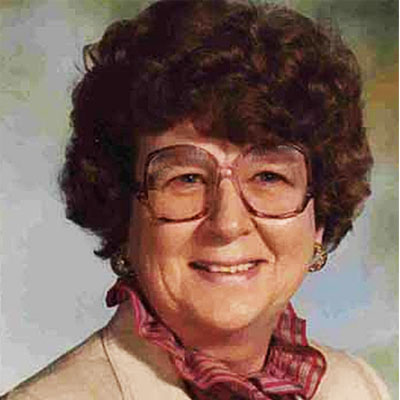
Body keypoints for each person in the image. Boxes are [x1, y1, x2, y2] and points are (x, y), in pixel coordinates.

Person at [2, 0, 391, 399]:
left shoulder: (360, 388)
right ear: (123, 215)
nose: (228, 224)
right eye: (186, 179)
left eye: (268, 177)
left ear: (319, 216)